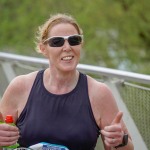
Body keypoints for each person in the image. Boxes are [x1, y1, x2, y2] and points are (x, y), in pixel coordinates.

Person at [0, 13, 134, 150]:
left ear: (81, 45)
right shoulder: (20, 87)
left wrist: (120, 141)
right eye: (57, 42)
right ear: (43, 49)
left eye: (74, 40)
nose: (67, 47)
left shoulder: (99, 93)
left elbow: (126, 147)